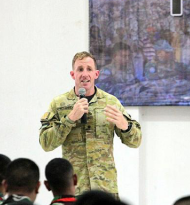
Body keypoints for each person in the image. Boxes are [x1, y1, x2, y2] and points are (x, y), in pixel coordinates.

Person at [39, 51, 142, 198]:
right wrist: (69, 119)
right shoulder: (59, 103)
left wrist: (125, 126)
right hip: (73, 190)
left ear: (96, 74)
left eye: (89, 69)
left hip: (105, 189)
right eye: (80, 69)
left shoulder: (111, 102)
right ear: (72, 74)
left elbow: (136, 141)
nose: (85, 74)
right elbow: (45, 143)